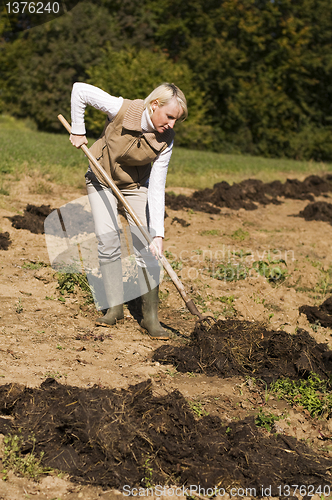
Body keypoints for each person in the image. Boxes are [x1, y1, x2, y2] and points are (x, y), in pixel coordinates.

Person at [69, 82, 187, 340]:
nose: (171, 125)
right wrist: (78, 129)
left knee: (147, 245)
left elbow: (157, 188)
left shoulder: (166, 139)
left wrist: (158, 235)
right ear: (154, 105)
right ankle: (114, 308)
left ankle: (150, 318)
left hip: (135, 186)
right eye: (169, 117)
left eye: (176, 120)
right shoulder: (121, 108)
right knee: (108, 238)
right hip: (101, 179)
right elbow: (80, 90)